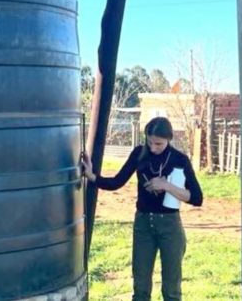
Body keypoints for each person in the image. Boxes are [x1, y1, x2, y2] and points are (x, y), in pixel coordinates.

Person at [81, 116, 203, 301]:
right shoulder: (139, 153)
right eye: (150, 142)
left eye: (159, 144)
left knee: (171, 289)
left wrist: (167, 186)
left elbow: (196, 198)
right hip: (143, 223)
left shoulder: (179, 160)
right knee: (140, 287)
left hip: (170, 225)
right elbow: (117, 181)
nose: (153, 148)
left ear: (169, 139)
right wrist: (92, 176)